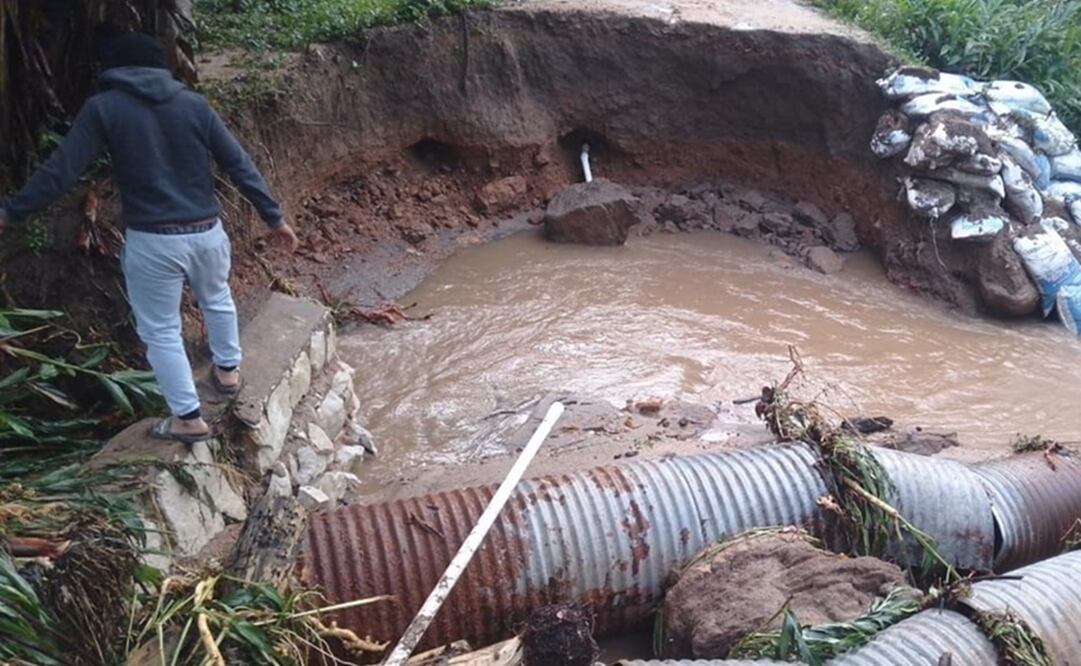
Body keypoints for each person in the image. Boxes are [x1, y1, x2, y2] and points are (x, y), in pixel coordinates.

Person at [0, 32, 299, 444]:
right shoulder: (194, 105)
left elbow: (62, 170)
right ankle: (228, 373)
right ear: (161, 68)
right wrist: (273, 216)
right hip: (208, 232)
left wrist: (12, 213)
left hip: (154, 241)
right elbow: (238, 163)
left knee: (161, 330)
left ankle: (188, 419)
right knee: (217, 297)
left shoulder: (104, 108)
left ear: (115, 70)